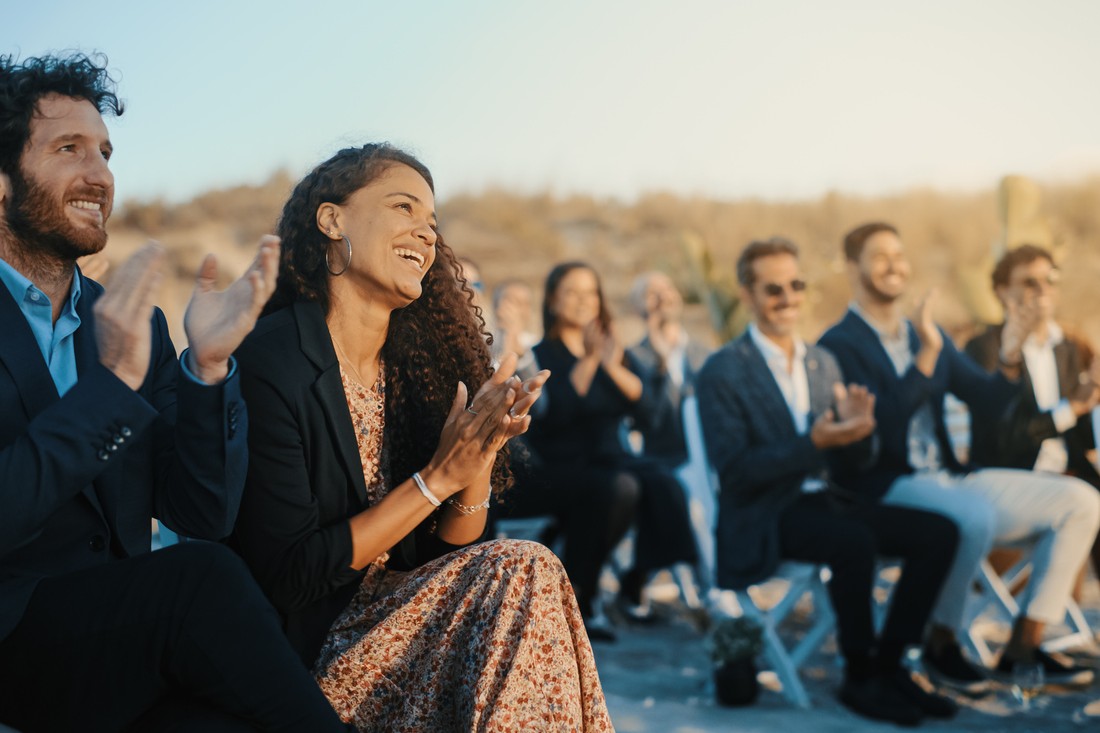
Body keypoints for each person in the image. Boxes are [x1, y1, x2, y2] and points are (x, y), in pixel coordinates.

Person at [0, 52, 352, 731]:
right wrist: (108, 387)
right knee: (202, 576)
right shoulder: (118, 346)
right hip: (15, 641)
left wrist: (207, 371)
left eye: (104, 151)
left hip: (124, 639)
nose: (98, 173)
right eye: (67, 148)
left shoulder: (136, 323)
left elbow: (202, 509)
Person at [230, 144, 613, 732]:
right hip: (315, 649)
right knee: (523, 569)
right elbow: (292, 574)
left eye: (432, 222)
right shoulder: (272, 358)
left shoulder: (416, 365)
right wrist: (435, 479)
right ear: (332, 221)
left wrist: (476, 458)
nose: (425, 233)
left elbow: (450, 550)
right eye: (403, 208)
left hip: (406, 616)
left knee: (522, 568)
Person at [819, 222, 1100, 690]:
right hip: (885, 486)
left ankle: (1023, 644)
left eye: (900, 254)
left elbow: (988, 401)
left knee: (1082, 501)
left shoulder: (921, 334)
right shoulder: (838, 345)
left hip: (951, 476)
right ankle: (941, 643)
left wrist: (1008, 356)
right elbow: (878, 433)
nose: (895, 265)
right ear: (852, 267)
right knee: (971, 516)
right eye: (880, 256)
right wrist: (926, 360)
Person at [697, 238, 959, 726]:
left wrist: (860, 433)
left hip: (826, 499)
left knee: (940, 533)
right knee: (853, 542)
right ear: (748, 295)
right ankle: (858, 677)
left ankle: (890, 665)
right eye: (773, 288)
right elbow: (734, 472)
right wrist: (813, 442)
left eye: (796, 285)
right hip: (763, 514)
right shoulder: (723, 370)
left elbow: (852, 461)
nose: (788, 298)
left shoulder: (822, 361)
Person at [522, 261, 698, 637]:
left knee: (665, 483)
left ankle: (635, 580)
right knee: (620, 488)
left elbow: (649, 410)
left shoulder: (612, 350)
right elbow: (558, 415)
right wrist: (587, 361)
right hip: (559, 462)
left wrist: (610, 363)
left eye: (590, 293)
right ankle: (580, 598)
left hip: (612, 457)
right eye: (572, 292)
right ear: (552, 301)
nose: (583, 301)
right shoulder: (542, 355)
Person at [965, 245, 1100, 579]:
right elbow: (1002, 439)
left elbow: (1079, 437)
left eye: (1048, 280)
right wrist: (1072, 408)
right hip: (1011, 477)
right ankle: (1030, 629)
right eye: (1029, 282)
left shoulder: (1067, 347)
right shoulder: (987, 349)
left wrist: (1094, 394)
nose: (1043, 290)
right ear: (1002, 291)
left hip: (1068, 473)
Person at [626, 270, 711, 466]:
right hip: (663, 468)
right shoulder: (629, 360)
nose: (663, 297)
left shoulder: (708, 355)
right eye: (651, 293)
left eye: (668, 289)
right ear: (636, 308)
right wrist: (662, 363)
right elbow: (649, 419)